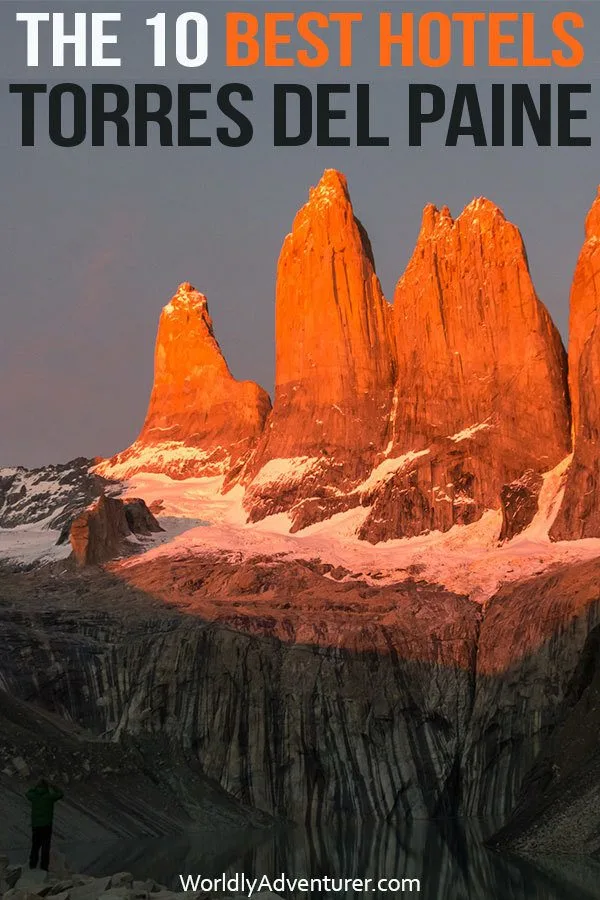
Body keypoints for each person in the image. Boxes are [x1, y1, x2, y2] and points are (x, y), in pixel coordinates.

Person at [26, 778, 63, 871]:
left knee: (35, 846)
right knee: (45, 847)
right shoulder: (49, 797)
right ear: (47, 787)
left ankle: (32, 865)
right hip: (46, 825)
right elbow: (60, 794)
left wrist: (35, 787)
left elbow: (27, 793)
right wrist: (54, 786)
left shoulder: (34, 796)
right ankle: (44, 867)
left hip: (36, 825)